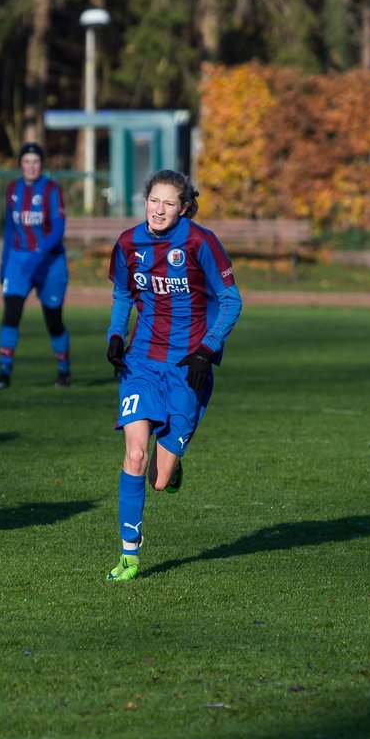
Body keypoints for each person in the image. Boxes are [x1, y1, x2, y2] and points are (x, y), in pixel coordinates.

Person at [103, 169, 243, 581]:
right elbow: (122, 294)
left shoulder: (201, 242)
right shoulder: (129, 242)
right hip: (141, 362)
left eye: (169, 203)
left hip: (187, 367)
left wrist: (207, 349)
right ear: (144, 200)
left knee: (160, 480)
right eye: (153, 200)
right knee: (133, 454)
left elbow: (231, 300)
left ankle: (173, 464)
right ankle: (129, 555)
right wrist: (115, 335)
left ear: (183, 207)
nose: (159, 209)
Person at [0, 142, 71, 389]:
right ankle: (3, 374)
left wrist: (40, 252)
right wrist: (4, 263)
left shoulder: (51, 190)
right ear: (20, 164)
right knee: (11, 314)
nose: (31, 166)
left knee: (53, 320)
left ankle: (64, 372)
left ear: (41, 165)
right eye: (26, 161)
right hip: (19, 261)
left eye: (35, 162)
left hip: (50, 262)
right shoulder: (12, 189)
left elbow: (58, 227)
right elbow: (10, 228)